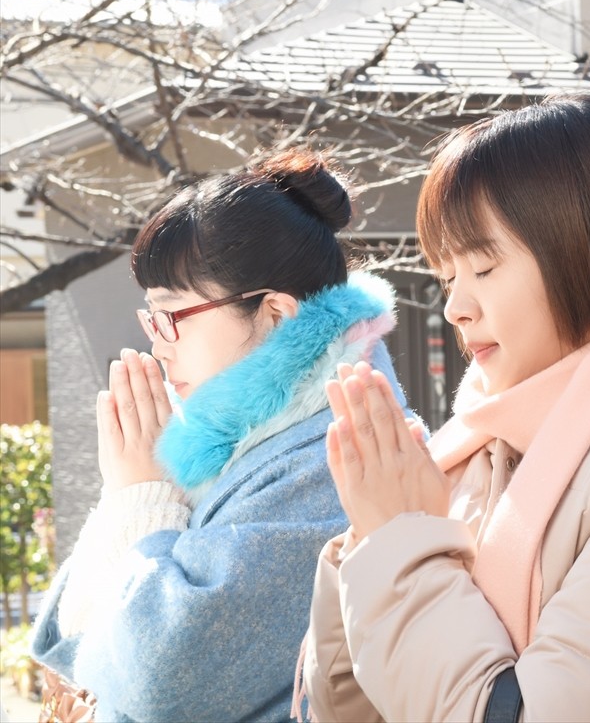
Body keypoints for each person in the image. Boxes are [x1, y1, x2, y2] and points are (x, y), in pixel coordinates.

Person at [300, 93, 590, 722]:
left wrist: (400, 541)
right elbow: (346, 709)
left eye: (482, 266)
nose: (455, 307)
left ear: (589, 251)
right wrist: (375, 534)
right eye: (448, 276)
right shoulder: (475, 442)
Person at [32, 149, 413, 722]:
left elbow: (164, 681)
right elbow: (73, 647)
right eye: (149, 318)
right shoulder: (247, 440)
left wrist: (140, 496)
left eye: (172, 315)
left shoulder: (339, 455)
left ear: (277, 315)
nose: (159, 344)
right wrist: (131, 495)